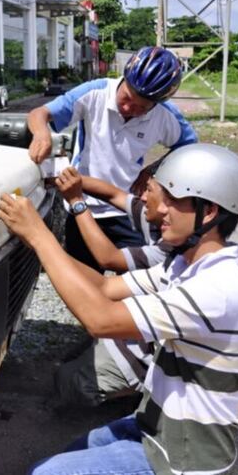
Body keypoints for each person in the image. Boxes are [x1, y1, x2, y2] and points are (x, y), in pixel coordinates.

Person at [0, 143, 238, 475]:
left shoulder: (217, 291)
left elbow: (100, 320)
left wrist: (39, 236)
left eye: (172, 200)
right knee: (73, 450)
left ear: (208, 213)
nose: (158, 207)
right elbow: (105, 286)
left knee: (44, 473)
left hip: (183, 458)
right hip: (154, 424)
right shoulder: (181, 267)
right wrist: (42, 249)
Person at [27, 46, 197, 267]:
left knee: (135, 287)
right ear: (123, 79)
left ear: (156, 104)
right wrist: (42, 133)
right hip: (82, 204)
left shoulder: (166, 116)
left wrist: (153, 171)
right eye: (126, 97)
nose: (128, 107)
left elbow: (189, 149)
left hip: (128, 209)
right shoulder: (94, 93)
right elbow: (39, 113)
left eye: (140, 108)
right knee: (85, 284)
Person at [53, 165, 171, 406]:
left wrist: (76, 201)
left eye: (149, 190)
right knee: (69, 360)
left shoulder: (170, 252)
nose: (142, 196)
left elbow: (108, 259)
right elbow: (115, 195)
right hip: (142, 330)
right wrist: (69, 180)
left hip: (147, 352)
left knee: (66, 384)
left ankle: (141, 392)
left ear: (170, 201)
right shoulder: (163, 222)